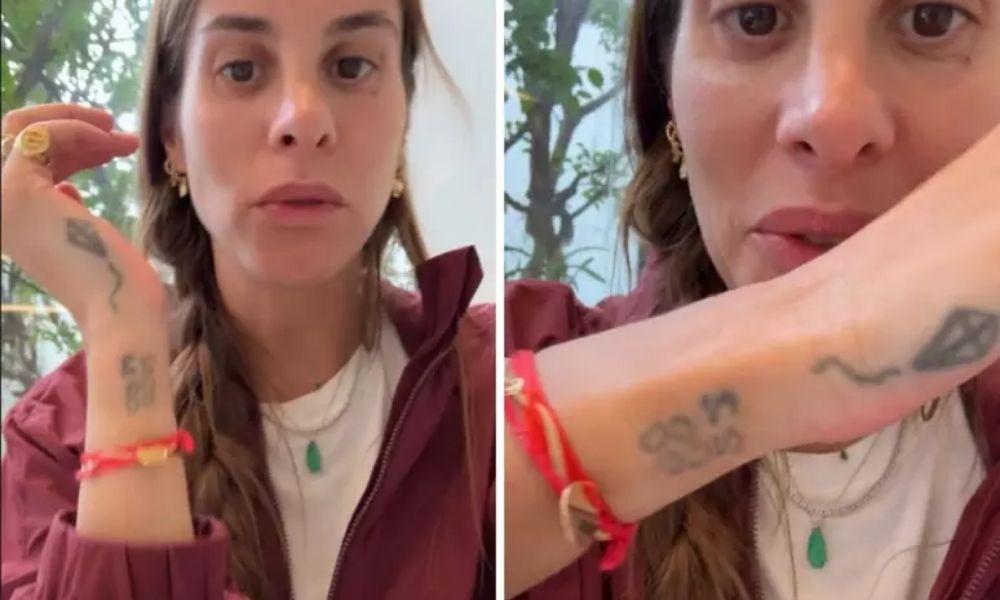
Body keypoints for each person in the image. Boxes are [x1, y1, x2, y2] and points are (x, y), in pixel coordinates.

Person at [504, 1, 999, 599]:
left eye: (931, 19)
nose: (832, 120)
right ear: (667, 98)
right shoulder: (479, 360)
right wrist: (834, 344)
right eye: (755, 17)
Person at [0, 1, 494, 599]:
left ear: (403, 119)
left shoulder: (502, 383)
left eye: (351, 66)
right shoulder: (58, 439)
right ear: (171, 135)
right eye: (241, 70)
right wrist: (119, 321)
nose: (303, 119)